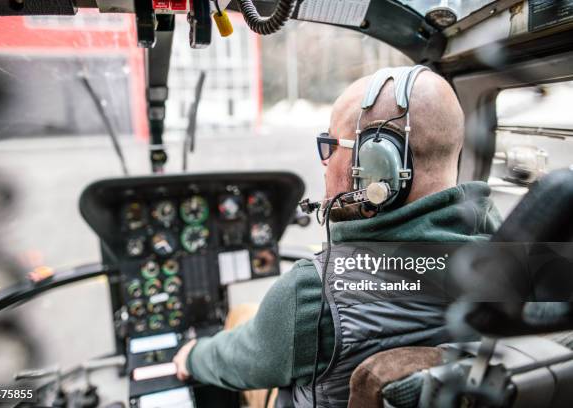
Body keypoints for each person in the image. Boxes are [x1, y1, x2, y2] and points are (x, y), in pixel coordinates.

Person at [173, 67, 502, 407]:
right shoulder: (519, 258)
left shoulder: (312, 293)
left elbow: (243, 360)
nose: (325, 162)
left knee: (239, 322)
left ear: (378, 164)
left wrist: (194, 356)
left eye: (330, 145)